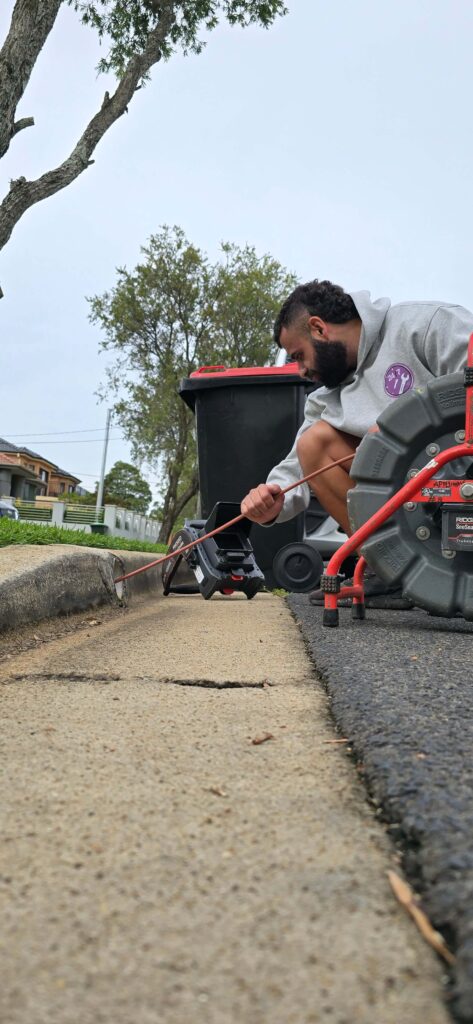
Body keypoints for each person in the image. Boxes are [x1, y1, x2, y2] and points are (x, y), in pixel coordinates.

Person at [240, 280, 473, 607]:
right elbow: (293, 472)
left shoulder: (424, 325)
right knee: (314, 443)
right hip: (415, 506)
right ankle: (390, 571)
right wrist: (268, 500)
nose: (303, 371)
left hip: (465, 480)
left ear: (319, 329)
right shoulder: (325, 400)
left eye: (299, 356)